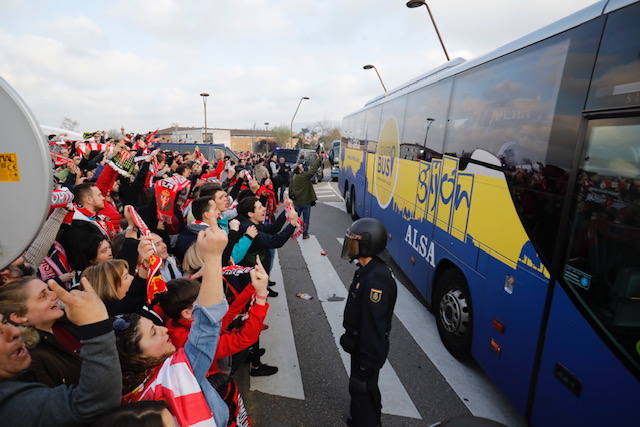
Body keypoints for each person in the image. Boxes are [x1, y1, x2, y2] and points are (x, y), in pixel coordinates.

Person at [114, 225, 231, 427]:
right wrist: (213, 257)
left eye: (155, 326)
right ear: (135, 357)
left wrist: (143, 269)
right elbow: (206, 324)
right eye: (153, 333)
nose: (165, 329)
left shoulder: (128, 394)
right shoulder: (173, 376)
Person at [0, 276, 122, 425]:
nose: (54, 295)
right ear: (20, 317)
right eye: (43, 295)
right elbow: (85, 406)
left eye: (49, 290)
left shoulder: (70, 320)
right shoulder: (30, 360)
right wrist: (95, 326)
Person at [339, 218, 397, 427]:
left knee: (363, 388)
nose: (350, 246)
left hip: (368, 349)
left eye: (353, 242)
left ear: (367, 245)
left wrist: (366, 361)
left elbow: (374, 326)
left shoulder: (376, 279)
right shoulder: (367, 269)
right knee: (362, 388)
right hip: (360, 343)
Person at [289, 155, 323, 239]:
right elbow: (312, 171)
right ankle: (305, 234)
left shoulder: (293, 178)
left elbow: (290, 190)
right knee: (306, 220)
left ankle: (290, 232)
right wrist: (318, 160)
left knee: (295, 218)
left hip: (297, 202)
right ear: (300, 171)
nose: (303, 168)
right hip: (305, 202)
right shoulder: (304, 177)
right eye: (301, 167)